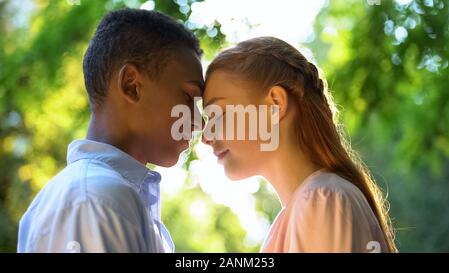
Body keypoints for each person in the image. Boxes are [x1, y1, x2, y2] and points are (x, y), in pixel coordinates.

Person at [17, 8, 204, 253]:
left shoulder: (110, 199)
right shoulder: (95, 201)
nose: (199, 122)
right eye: (189, 96)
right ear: (132, 86)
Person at [202, 36, 396, 253]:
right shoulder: (309, 205)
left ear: (275, 104)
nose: (205, 136)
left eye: (218, 114)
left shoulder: (321, 200)